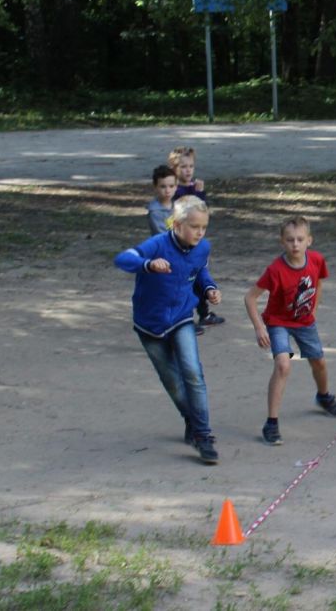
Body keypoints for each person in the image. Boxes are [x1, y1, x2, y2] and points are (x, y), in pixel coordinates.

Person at [114, 195, 223, 464]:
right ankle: (191, 420)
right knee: (172, 380)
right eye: (194, 226)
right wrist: (147, 265)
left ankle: (203, 434)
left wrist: (209, 288)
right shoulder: (157, 244)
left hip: (182, 317)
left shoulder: (202, 247)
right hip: (149, 324)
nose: (200, 232)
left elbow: (199, 273)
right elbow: (123, 258)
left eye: (204, 227)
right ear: (176, 224)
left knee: (193, 373)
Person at [244, 215, 336, 446]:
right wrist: (260, 328)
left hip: (305, 322)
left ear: (309, 240)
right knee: (283, 365)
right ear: (282, 242)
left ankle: (323, 396)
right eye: (290, 240)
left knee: (318, 361)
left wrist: (314, 309)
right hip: (278, 322)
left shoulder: (317, 260)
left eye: (300, 239)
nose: (295, 244)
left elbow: (318, 282)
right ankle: (271, 423)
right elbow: (250, 298)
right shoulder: (275, 270)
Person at [167, 146, 224, 326]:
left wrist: (199, 193)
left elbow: (201, 211)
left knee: (199, 275)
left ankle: (204, 313)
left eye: (191, 166)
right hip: (179, 243)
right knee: (183, 281)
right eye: (183, 166)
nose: (188, 170)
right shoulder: (174, 190)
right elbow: (181, 212)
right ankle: (183, 320)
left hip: (195, 243)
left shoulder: (194, 188)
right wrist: (195, 193)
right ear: (174, 170)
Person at [147, 164, 177, 236]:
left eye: (171, 186)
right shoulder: (155, 212)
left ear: (176, 186)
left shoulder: (177, 205)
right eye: (163, 187)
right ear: (155, 187)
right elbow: (163, 235)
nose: (167, 190)